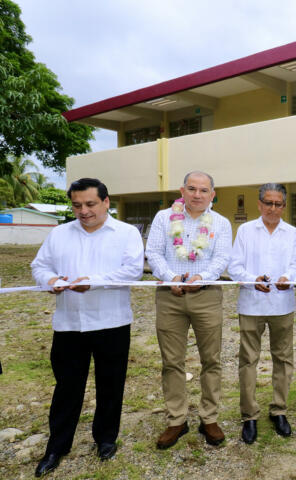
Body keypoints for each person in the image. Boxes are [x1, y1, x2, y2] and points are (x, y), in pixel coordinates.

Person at [30, 178, 144, 477]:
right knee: (67, 387)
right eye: (77, 205)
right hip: (69, 324)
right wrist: (51, 281)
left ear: (106, 202)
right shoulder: (59, 234)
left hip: (111, 322)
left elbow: (131, 270)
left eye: (91, 204)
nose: (84, 211)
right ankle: (57, 446)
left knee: (110, 384)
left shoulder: (126, 233)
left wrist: (92, 281)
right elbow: (39, 266)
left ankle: (105, 439)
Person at [146, 171, 232, 449]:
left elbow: (221, 258)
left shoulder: (220, 223)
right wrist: (170, 277)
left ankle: (209, 418)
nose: (197, 195)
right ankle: (176, 420)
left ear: (212, 194)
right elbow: (154, 252)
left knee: (212, 360)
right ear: (182, 190)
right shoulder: (163, 218)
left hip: (206, 296)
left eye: (203, 190)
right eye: (192, 189)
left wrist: (202, 278)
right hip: (169, 296)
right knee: (172, 361)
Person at [227, 183, 296, 444]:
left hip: (283, 305)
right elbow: (234, 265)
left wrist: (288, 278)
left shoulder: (292, 233)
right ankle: (249, 415)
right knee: (248, 359)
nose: (273, 208)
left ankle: (279, 410)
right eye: (268, 203)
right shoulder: (246, 231)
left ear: (284, 206)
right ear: (259, 204)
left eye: (278, 203)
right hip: (251, 304)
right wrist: (251, 279)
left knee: (283, 358)